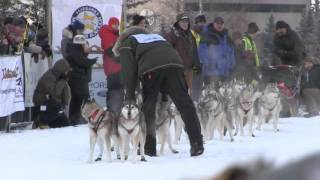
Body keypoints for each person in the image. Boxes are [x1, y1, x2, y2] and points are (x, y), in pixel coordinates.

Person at [112, 26, 204, 157]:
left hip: (152, 69)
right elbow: (168, 54)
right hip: (176, 65)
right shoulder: (157, 37)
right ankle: (197, 143)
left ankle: (149, 147)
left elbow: (128, 72)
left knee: (149, 107)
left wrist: (130, 95)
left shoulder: (127, 43)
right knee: (185, 104)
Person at [66, 33, 97, 125]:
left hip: (75, 78)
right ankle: (81, 119)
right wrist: (93, 60)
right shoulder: (76, 53)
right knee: (83, 99)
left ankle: (74, 119)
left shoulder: (73, 51)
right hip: (78, 78)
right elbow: (83, 62)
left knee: (76, 99)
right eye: (84, 44)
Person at [164, 13, 201, 91]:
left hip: (189, 69)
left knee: (187, 92)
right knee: (177, 92)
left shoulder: (191, 35)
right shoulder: (171, 35)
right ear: (178, 23)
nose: (185, 24)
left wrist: (197, 64)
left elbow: (195, 51)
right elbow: (167, 53)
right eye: (182, 22)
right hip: (177, 70)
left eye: (186, 21)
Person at [33, 59, 71, 128]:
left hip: (53, 105)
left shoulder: (60, 77)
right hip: (42, 103)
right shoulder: (49, 77)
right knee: (56, 108)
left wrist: (64, 103)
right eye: (66, 71)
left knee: (66, 124)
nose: (67, 73)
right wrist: (63, 81)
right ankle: (40, 121)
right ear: (61, 70)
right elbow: (54, 93)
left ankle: (48, 123)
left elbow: (66, 94)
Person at [198, 16, 235, 87]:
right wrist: (206, 63)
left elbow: (231, 54)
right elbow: (201, 51)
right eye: (217, 23)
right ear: (214, 24)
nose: (219, 25)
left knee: (223, 96)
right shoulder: (207, 35)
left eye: (221, 23)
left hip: (224, 73)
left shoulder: (227, 38)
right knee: (211, 95)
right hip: (210, 73)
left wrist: (232, 66)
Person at [98, 17, 123, 115]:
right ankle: (112, 113)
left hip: (117, 68)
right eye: (114, 24)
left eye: (117, 24)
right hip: (113, 69)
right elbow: (110, 51)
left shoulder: (115, 35)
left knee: (118, 91)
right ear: (110, 24)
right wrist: (123, 59)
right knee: (114, 91)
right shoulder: (107, 34)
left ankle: (115, 112)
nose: (116, 26)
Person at [191, 14, 206, 102]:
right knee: (193, 87)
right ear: (196, 24)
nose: (202, 26)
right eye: (200, 24)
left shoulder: (200, 36)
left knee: (198, 87)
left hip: (200, 65)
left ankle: (195, 103)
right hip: (192, 66)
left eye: (204, 24)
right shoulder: (190, 34)